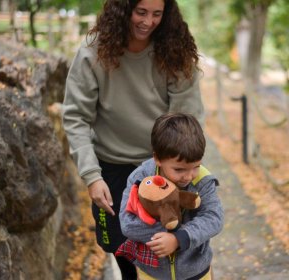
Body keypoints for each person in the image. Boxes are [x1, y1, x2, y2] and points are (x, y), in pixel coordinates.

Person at [62, 0, 204, 278]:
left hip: (162, 170)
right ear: (123, 10)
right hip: (111, 169)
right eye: (140, 12)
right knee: (121, 249)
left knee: (168, 253)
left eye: (156, 14)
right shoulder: (94, 51)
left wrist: (181, 172)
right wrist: (92, 176)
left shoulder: (174, 51)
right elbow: (76, 117)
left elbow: (187, 120)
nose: (148, 21)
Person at [118, 112, 224, 280]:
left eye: (196, 166)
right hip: (152, 273)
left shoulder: (202, 179)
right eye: (179, 170)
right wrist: (164, 234)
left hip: (196, 272)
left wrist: (179, 238)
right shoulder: (140, 179)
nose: (189, 176)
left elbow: (214, 218)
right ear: (158, 159)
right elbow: (127, 223)